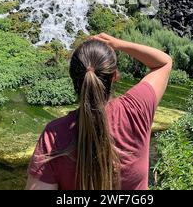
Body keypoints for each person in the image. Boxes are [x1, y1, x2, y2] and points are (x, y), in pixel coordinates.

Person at [26, 33, 172, 190]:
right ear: (115, 76)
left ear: (73, 78)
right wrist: (117, 43)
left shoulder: (53, 136)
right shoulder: (136, 108)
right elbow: (163, 62)